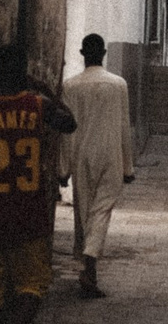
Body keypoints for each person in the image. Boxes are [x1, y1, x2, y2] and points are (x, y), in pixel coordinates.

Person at [0, 43, 77, 323]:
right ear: (24, 74)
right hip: (29, 214)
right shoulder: (39, 106)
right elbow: (71, 123)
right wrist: (46, 90)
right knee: (31, 287)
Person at [58, 34, 135, 298]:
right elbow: (124, 126)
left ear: (82, 54)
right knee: (101, 210)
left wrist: (63, 169)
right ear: (103, 53)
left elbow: (67, 132)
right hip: (111, 154)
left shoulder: (70, 86)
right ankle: (89, 263)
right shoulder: (118, 85)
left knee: (84, 212)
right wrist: (128, 168)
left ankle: (87, 267)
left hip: (82, 155)